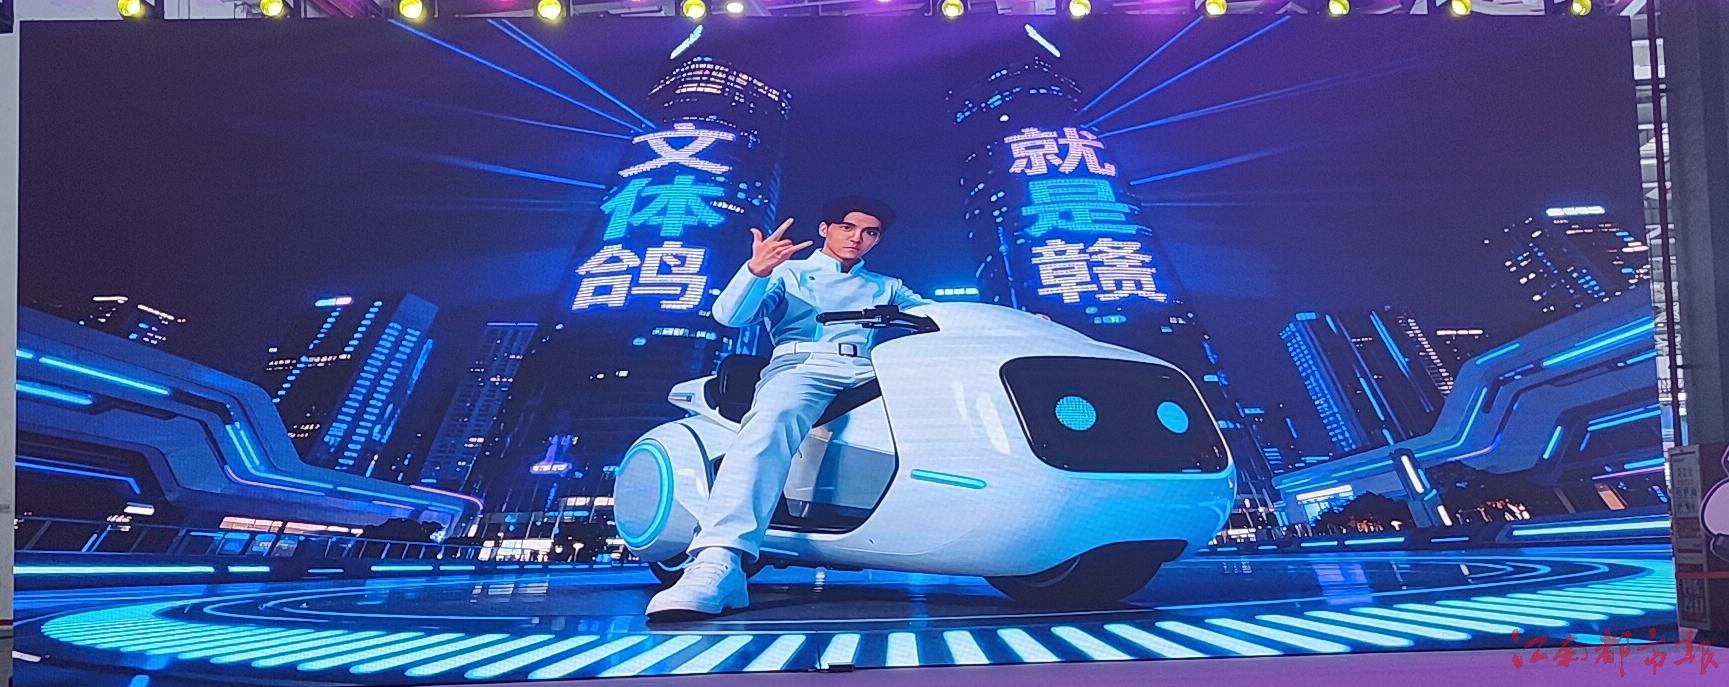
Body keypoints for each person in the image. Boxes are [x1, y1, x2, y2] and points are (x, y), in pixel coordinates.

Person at [646, 196, 931, 619]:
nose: (857, 238)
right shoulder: (787, 271)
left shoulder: (887, 285)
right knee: (770, 423)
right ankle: (719, 559)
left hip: (870, 370)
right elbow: (730, 316)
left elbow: (939, 316)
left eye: (870, 232)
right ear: (825, 229)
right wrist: (756, 270)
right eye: (848, 227)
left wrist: (1013, 322)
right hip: (802, 365)